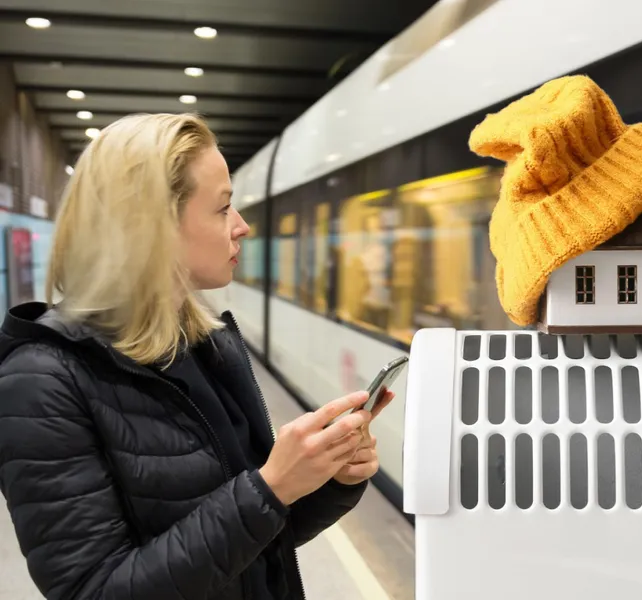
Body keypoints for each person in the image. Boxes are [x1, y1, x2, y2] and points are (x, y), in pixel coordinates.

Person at [0, 113, 393, 600]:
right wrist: (269, 488)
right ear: (153, 226)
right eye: (223, 208)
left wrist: (323, 478)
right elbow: (93, 590)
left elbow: (259, 542)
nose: (242, 227)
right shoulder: (41, 381)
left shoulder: (203, 344)